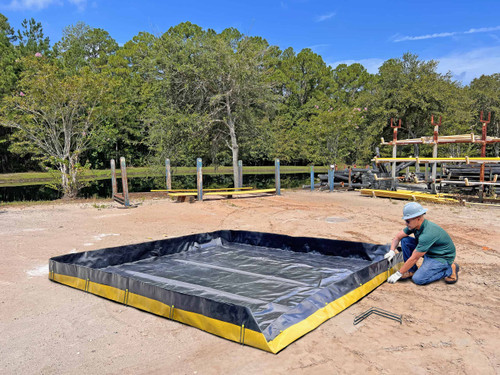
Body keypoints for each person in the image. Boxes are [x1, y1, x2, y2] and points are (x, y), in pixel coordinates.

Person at [384, 202, 459, 285]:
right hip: (430, 250)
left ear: (418, 218)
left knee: (418, 279)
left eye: (408, 221)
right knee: (405, 240)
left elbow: (414, 258)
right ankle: (411, 270)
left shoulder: (427, 234)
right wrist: (391, 251)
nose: (406, 223)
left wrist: (398, 274)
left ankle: (449, 269)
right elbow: (397, 237)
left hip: (440, 257)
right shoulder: (415, 225)